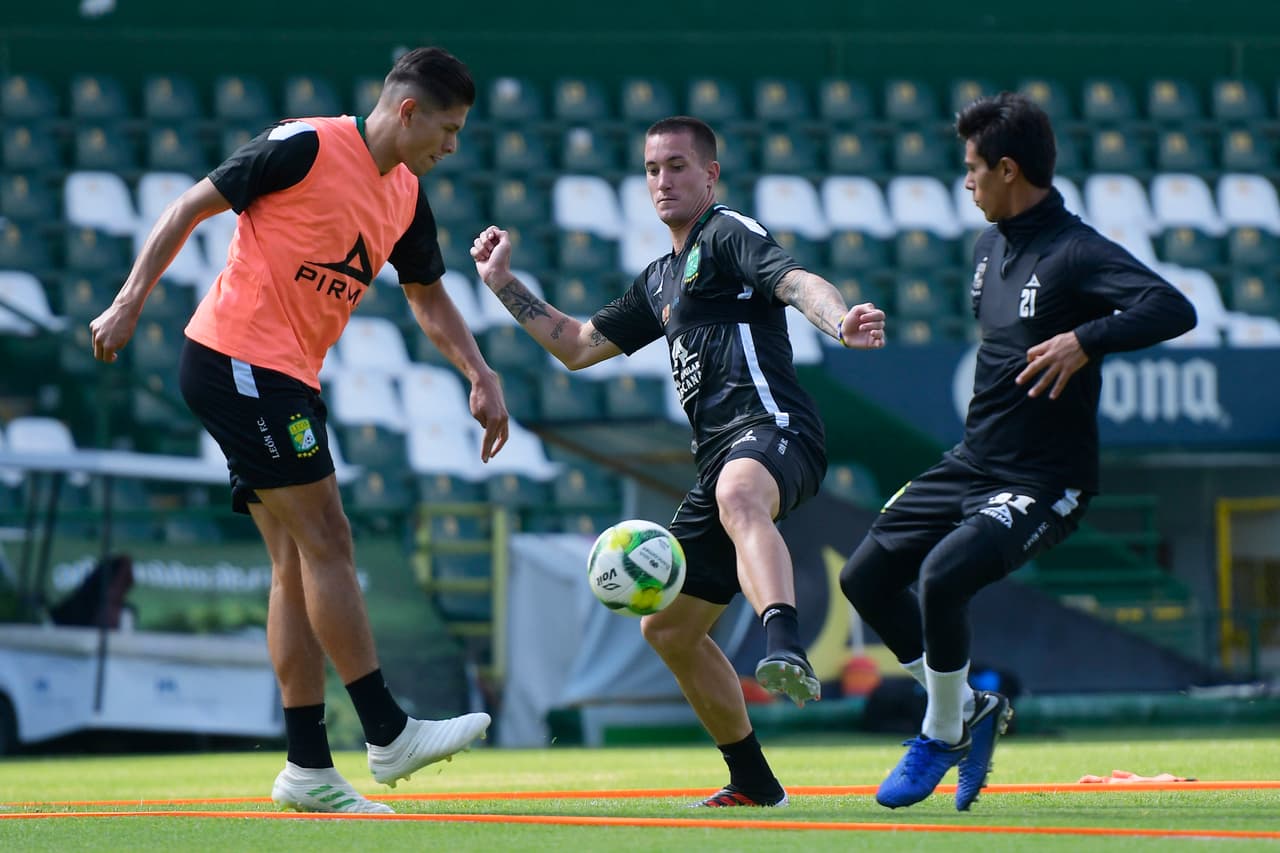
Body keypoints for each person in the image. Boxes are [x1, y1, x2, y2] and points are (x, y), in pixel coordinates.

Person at [89, 47, 509, 814]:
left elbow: (427, 296)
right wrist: (127, 301)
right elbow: (189, 206)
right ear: (408, 111)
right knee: (329, 537)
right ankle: (386, 730)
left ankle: (308, 766)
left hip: (282, 373)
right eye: (447, 129)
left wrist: (480, 373)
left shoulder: (406, 195)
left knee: (295, 561)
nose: (452, 147)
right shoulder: (306, 145)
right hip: (239, 358)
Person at [471, 115, 886, 807]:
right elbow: (576, 346)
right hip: (717, 458)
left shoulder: (726, 233)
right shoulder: (659, 280)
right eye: (652, 169)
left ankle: (783, 643)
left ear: (710, 174)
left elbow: (795, 281)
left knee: (739, 493)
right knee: (666, 627)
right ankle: (753, 781)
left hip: (775, 427)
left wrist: (838, 321)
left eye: (677, 166)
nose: (662, 180)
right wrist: (502, 284)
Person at [840, 92, 1198, 812]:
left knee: (943, 575)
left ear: (1008, 169)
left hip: (1044, 480)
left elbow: (1173, 307)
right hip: (974, 460)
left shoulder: (1076, 250)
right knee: (866, 577)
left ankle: (941, 731)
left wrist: (1087, 338)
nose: (965, 181)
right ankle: (968, 708)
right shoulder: (987, 248)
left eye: (973, 167)